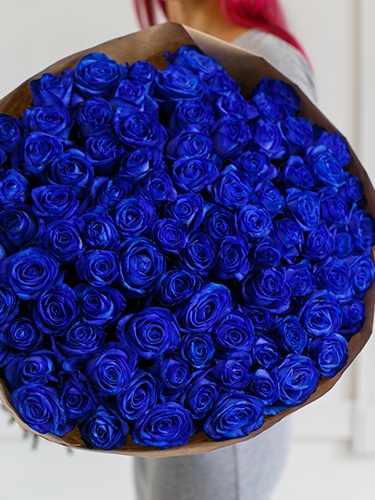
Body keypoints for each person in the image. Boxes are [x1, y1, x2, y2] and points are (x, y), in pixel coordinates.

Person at [131, 1, 318, 500]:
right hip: (159, 385)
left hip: (224, 400)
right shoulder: (166, 51)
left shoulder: (263, 55)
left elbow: (295, 240)